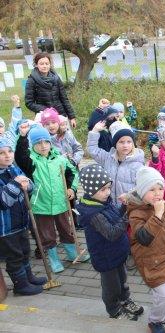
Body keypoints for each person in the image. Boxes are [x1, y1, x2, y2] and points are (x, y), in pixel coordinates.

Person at [15, 126, 89, 273]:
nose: (43, 146)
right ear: (32, 145)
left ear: (50, 142)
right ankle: (54, 260)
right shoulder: (32, 161)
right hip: (40, 205)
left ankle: (72, 253)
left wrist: (72, 188)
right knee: (47, 234)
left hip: (61, 202)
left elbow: (72, 173)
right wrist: (23, 138)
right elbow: (20, 157)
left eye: (46, 142)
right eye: (38, 143)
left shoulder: (60, 159)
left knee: (66, 229)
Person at [76, 164, 143, 321]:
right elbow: (112, 233)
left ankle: (125, 300)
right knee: (111, 286)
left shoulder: (104, 202)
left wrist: (124, 207)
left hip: (117, 253)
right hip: (105, 258)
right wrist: (128, 216)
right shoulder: (93, 214)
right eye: (103, 189)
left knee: (122, 280)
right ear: (90, 191)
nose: (107, 192)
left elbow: (115, 218)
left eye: (108, 187)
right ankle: (113, 309)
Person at [127, 167, 165, 333]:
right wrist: (157, 215)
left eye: (160, 188)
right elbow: (144, 237)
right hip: (150, 262)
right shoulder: (136, 213)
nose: (158, 193)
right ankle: (154, 321)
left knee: (164, 293)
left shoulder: (164, 206)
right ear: (141, 191)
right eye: (151, 189)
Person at [0, 137, 46, 295]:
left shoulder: (13, 169)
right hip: (5, 228)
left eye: (10, 151)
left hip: (21, 222)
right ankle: (20, 285)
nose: (7, 155)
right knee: (14, 256)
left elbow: (29, 187)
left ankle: (28, 277)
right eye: (2, 153)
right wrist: (16, 184)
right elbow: (3, 202)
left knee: (25, 250)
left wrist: (28, 184)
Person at [87, 121, 145, 208]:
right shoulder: (108, 158)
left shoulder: (138, 164)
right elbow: (93, 149)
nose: (125, 145)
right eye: (121, 142)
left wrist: (129, 196)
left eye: (129, 142)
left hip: (128, 207)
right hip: (109, 205)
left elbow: (143, 187)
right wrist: (95, 131)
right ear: (115, 144)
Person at [25, 52, 76, 128]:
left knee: (64, 138)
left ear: (50, 64)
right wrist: (46, 110)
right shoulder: (31, 80)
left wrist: (71, 117)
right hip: (45, 118)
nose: (44, 66)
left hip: (60, 115)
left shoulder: (56, 78)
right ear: (36, 64)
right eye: (41, 64)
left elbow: (64, 99)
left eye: (47, 63)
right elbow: (29, 103)